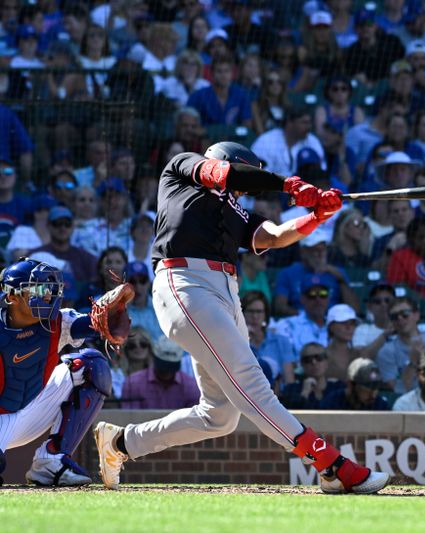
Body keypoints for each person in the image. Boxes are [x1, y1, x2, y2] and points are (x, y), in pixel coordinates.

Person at [93, 141, 389, 495]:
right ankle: (330, 465)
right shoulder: (183, 170)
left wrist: (318, 217)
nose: (243, 191)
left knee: (218, 416)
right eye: (246, 176)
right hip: (185, 283)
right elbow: (226, 174)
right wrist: (290, 185)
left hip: (226, 294)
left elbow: (276, 236)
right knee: (253, 385)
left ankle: (121, 443)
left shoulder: (235, 211)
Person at [0, 257, 118, 486]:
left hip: (33, 408)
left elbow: (95, 323)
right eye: (38, 289)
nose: (47, 296)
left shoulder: (57, 321)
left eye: (50, 289)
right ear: (12, 297)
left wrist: (111, 310)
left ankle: (51, 460)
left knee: (93, 365)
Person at [121, 337, 200, 410]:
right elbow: (130, 417)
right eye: (163, 365)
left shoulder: (191, 387)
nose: (166, 372)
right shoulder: (133, 383)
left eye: (170, 366)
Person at [281, 342, 345, 410]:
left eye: (319, 357)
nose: (314, 362)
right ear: (302, 364)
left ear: (326, 362)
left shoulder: (338, 388)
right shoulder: (291, 390)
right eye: (307, 359)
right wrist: (304, 394)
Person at [319, 357, 390, 411]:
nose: (373, 395)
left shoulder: (380, 405)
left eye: (376, 389)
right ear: (350, 385)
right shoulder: (332, 404)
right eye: (366, 390)